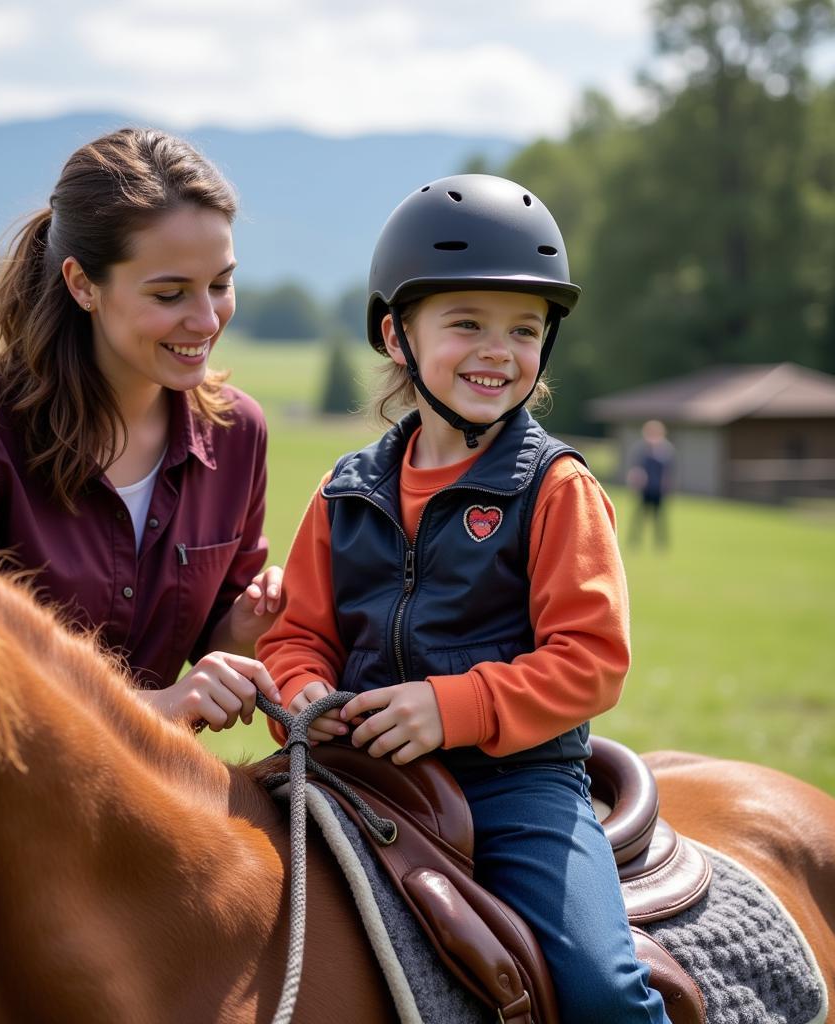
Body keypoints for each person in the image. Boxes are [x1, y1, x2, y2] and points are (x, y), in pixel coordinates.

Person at [257, 175, 670, 1022]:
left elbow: (591, 663)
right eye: (467, 324)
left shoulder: (554, 487)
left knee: (601, 990)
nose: (498, 350)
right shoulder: (345, 492)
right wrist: (302, 696)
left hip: (514, 786)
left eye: (523, 329)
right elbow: (298, 634)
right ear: (397, 336)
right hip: (353, 775)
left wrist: (452, 708)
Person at [0, 127, 282, 731]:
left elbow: (214, 640)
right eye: (170, 293)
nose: (207, 319)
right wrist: (150, 710)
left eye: (220, 283)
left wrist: (248, 627)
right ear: (83, 284)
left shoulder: (240, 432)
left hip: (150, 811)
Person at [627, 419, 675, 549]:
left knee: (659, 518)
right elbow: (636, 469)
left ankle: (660, 543)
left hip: (658, 490)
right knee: (639, 516)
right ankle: (634, 541)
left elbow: (668, 472)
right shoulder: (642, 450)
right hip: (645, 489)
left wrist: (667, 486)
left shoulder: (666, 450)